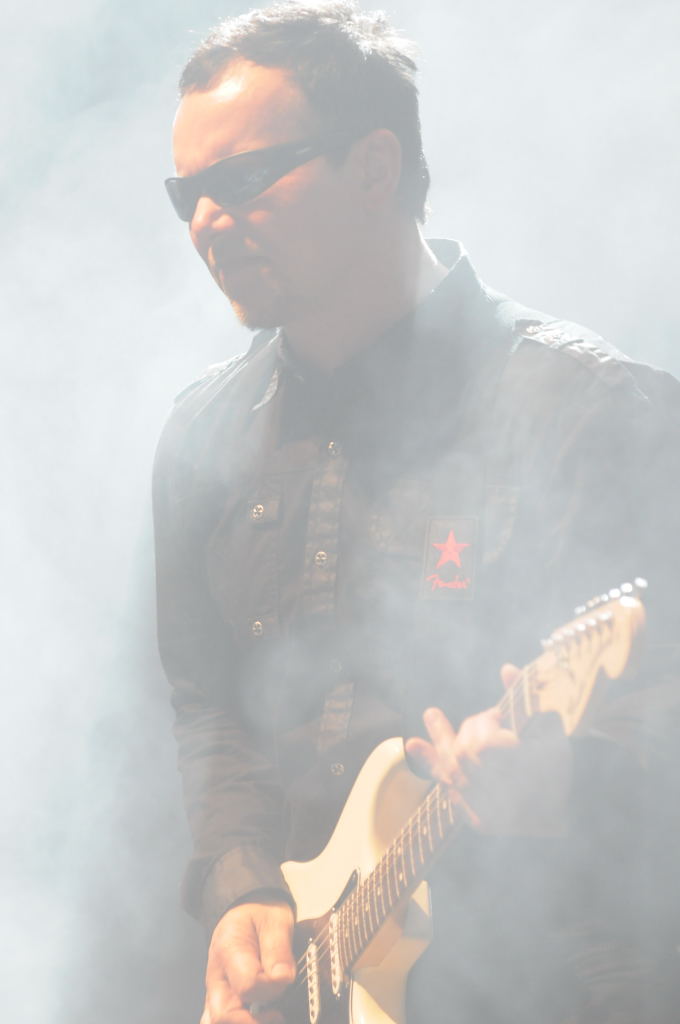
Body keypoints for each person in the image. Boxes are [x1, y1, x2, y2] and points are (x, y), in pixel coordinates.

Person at [153, 3, 680, 1022]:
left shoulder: (592, 410)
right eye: (188, 194)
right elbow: (207, 701)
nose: (207, 221)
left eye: (244, 179)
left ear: (373, 167)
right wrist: (240, 884)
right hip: (318, 978)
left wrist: (574, 784)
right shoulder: (201, 436)